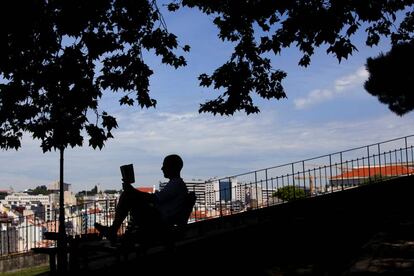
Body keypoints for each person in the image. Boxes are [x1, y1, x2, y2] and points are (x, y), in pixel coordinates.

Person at [95, 154, 188, 241]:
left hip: (158, 221)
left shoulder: (176, 184)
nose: (162, 168)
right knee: (128, 195)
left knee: (127, 195)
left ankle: (113, 230)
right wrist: (133, 192)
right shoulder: (177, 184)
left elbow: (154, 199)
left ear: (172, 167)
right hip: (160, 218)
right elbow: (156, 199)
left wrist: (132, 191)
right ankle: (114, 230)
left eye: (165, 165)